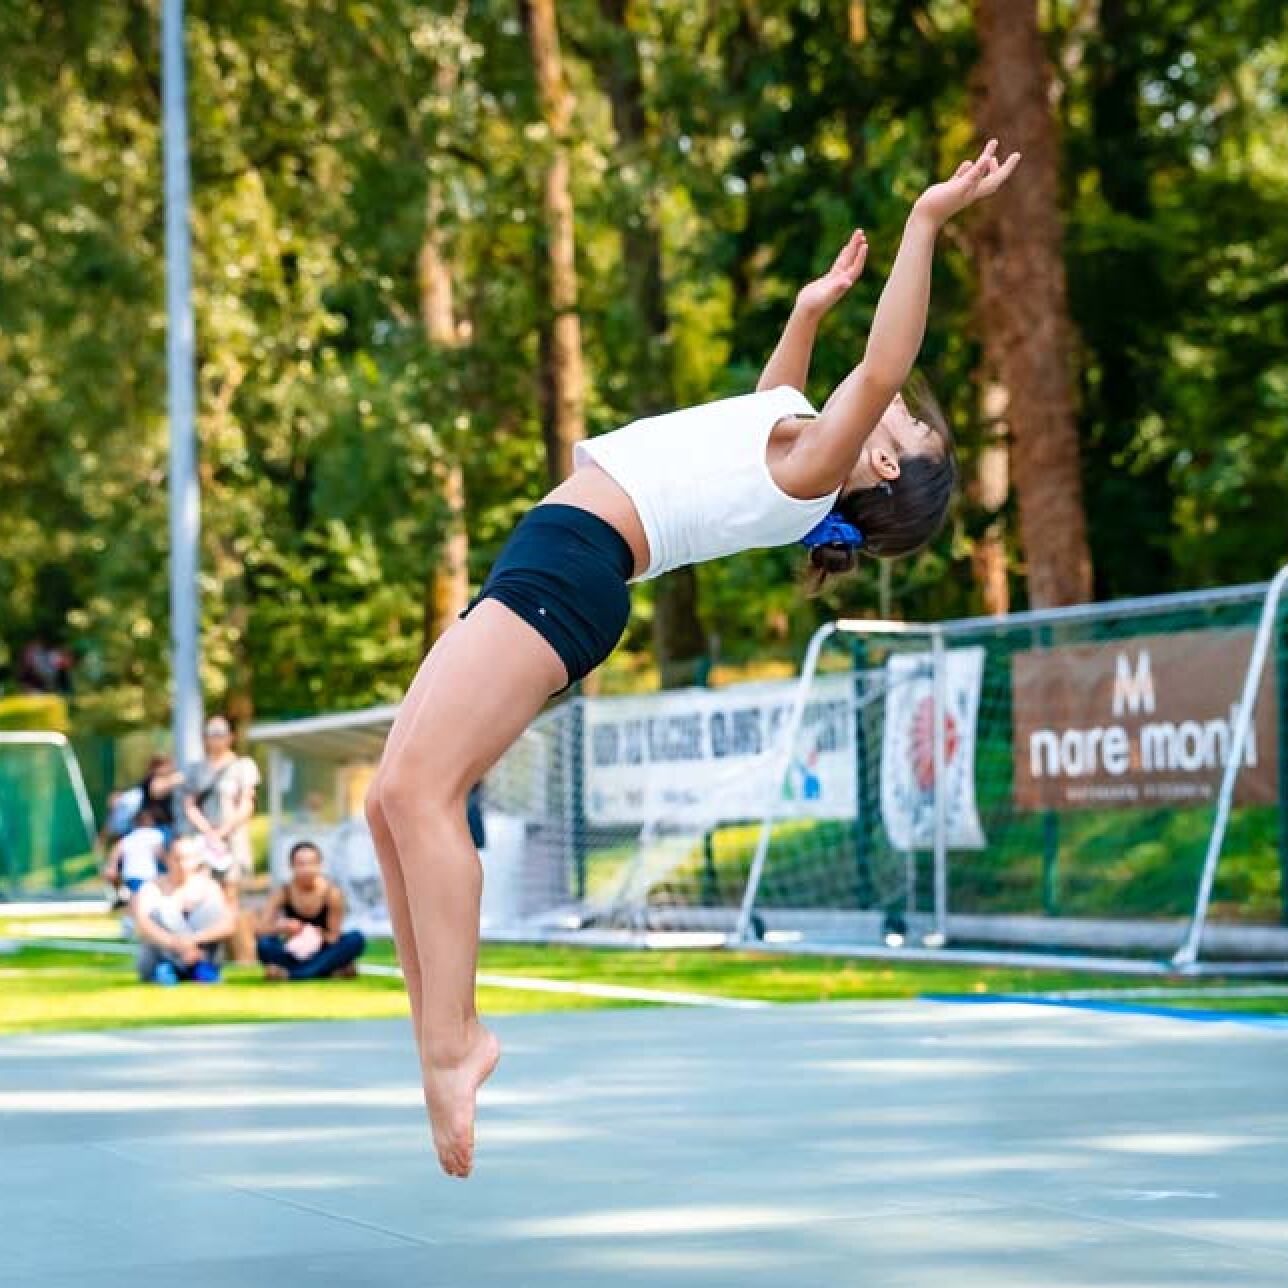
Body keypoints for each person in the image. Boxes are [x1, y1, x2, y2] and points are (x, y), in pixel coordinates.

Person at [365, 140, 1021, 1177]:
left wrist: (926, 220)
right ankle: (436, 1034)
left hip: (574, 572)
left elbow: (885, 364)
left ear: (881, 460)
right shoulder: (789, 442)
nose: (882, 399)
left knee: (421, 797)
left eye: (894, 419)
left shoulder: (815, 470)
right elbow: (761, 405)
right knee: (385, 803)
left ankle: (458, 1044)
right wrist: (805, 311)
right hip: (549, 558)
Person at [184, 715, 260, 961]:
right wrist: (208, 831)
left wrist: (224, 831)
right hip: (204, 842)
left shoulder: (242, 766)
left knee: (231, 896)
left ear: (231, 736)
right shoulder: (196, 769)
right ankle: (207, 953)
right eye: (211, 733)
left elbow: (247, 804)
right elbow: (189, 804)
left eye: (220, 733)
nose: (215, 738)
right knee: (203, 895)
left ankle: (241, 954)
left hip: (232, 841)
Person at [255, 840, 366, 980]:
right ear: (291, 866)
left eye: (311, 863)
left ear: (320, 865)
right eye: (301, 864)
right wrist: (283, 927)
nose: (307, 869)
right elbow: (260, 929)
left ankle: (293, 974)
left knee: (355, 939)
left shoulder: (332, 893)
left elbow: (333, 937)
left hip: (322, 950)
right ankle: (325, 971)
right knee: (265, 944)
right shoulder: (283, 892)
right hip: (292, 951)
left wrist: (316, 934)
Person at [131, 836, 236, 984]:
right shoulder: (151, 888)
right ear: (167, 859)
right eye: (177, 859)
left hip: (201, 954)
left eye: (187, 858)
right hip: (163, 955)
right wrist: (176, 944)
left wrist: (193, 940)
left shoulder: (209, 887)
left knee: (211, 910)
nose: (182, 864)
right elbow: (142, 926)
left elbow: (228, 925)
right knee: (162, 912)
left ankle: (198, 967)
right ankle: (170, 969)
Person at [103, 806, 166, 899]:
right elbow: (160, 854)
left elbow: (116, 852)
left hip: (129, 875)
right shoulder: (154, 835)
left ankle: (124, 896)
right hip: (148, 875)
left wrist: (112, 866)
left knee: (136, 897)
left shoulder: (128, 837)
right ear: (151, 821)